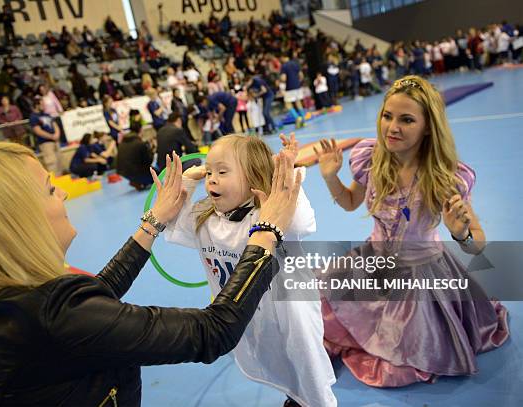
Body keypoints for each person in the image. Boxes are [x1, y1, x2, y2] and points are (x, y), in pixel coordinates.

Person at [0, 141, 302, 406]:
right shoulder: (58, 316)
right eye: (51, 190)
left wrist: (154, 222)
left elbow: (94, 299)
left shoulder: (0, 296)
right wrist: (265, 234)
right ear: (17, 222)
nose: (63, 196)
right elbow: (213, 331)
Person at [313, 75, 509, 387]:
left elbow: (478, 244)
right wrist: (329, 177)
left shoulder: (446, 178)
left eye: (406, 120)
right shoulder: (372, 158)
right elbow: (351, 202)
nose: (392, 128)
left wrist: (460, 234)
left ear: (428, 126)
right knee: (320, 310)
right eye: (387, 116)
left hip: (421, 276)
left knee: (404, 354)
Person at [165, 134, 337, 407]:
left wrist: (285, 174)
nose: (211, 178)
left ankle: (317, 402)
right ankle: (296, 396)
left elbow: (302, 223)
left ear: (254, 176)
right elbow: (173, 222)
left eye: (222, 171)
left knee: (306, 364)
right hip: (252, 315)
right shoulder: (206, 219)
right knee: (278, 362)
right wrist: (188, 179)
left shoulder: (270, 214)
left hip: (291, 311)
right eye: (209, 171)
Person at [116, 120, 155, 191]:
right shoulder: (140, 143)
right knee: (157, 175)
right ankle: (138, 181)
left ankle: (135, 181)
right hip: (134, 172)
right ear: (140, 130)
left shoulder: (123, 142)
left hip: (122, 172)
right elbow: (148, 162)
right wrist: (151, 150)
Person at [30, 98, 62, 175]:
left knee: (59, 161)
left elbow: (55, 125)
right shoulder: (33, 117)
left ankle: (62, 179)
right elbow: (38, 131)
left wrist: (57, 134)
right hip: (45, 143)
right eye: (42, 104)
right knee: (51, 163)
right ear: (37, 105)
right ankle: (55, 181)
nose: (44, 106)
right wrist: (51, 136)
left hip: (55, 141)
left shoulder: (47, 115)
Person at [280, 53, 306, 128]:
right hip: (297, 86)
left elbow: (283, 78)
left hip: (289, 88)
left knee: (287, 103)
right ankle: (303, 121)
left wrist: (280, 82)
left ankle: (298, 118)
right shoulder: (295, 64)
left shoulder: (284, 66)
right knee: (298, 103)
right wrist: (298, 82)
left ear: (283, 57)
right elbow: (301, 75)